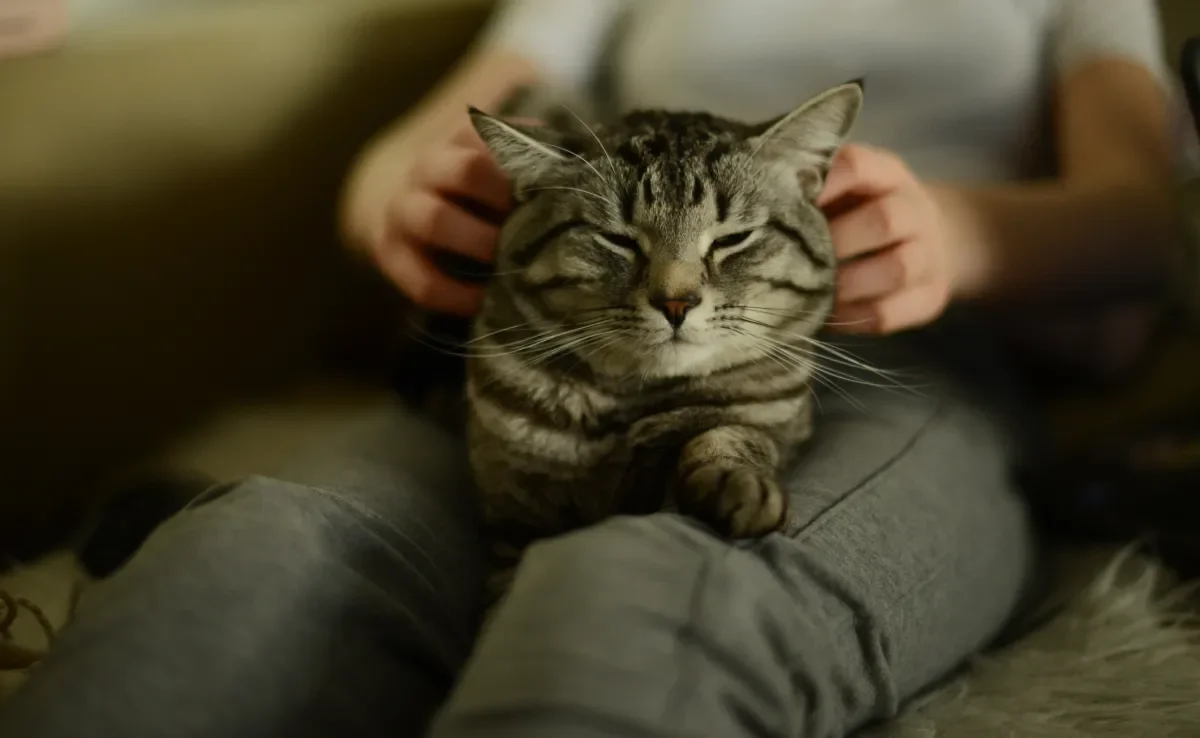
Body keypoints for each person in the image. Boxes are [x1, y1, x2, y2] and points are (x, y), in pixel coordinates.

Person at [0, 1, 1184, 736]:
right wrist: (401, 206)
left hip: (884, 348)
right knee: (258, 545)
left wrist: (962, 238)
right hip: (556, 323)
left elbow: (1149, 222)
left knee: (666, 587)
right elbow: (418, 148)